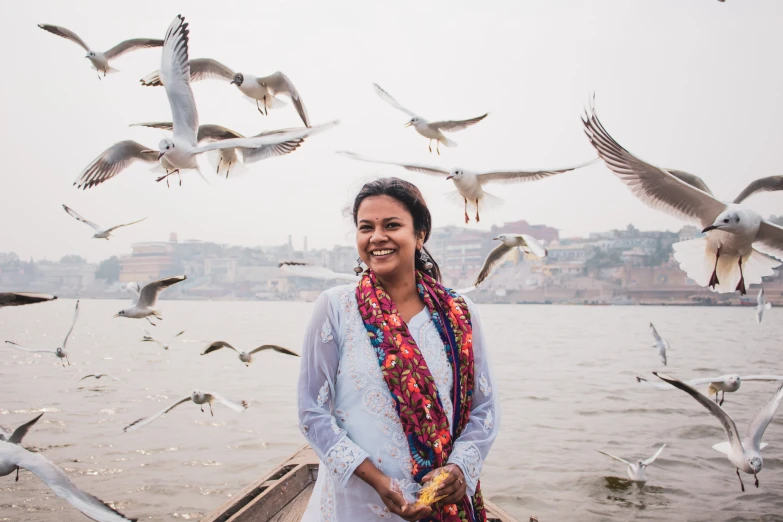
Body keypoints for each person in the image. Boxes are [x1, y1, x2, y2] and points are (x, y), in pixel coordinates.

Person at [297, 177, 499, 521]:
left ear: (420, 235)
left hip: (435, 500)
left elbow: (484, 410)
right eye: (366, 227)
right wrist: (378, 481)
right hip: (355, 500)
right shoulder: (336, 307)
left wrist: (460, 469)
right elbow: (312, 412)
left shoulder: (459, 313)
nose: (377, 237)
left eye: (392, 225)